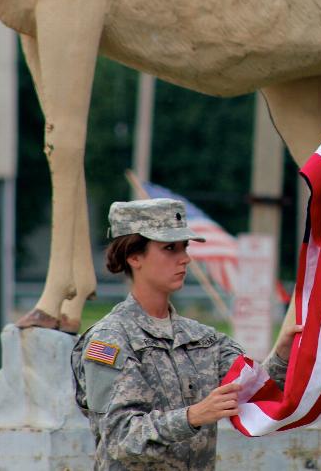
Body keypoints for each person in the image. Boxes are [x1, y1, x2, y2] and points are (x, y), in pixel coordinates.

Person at [72, 198, 300, 470]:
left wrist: (283, 354)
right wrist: (193, 416)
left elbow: (256, 393)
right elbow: (121, 439)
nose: (185, 258)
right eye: (170, 248)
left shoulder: (203, 338)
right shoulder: (110, 340)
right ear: (134, 256)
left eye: (185, 247)